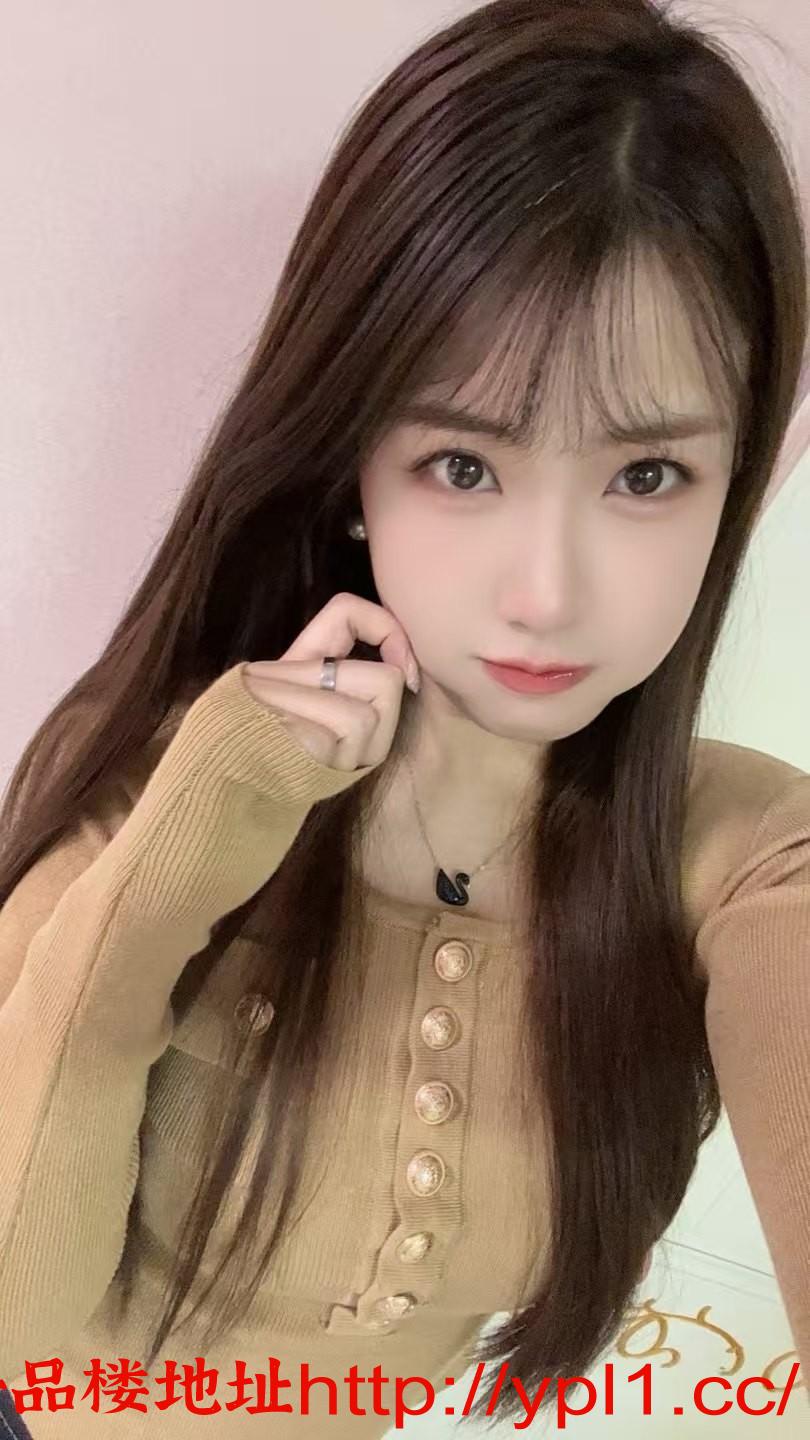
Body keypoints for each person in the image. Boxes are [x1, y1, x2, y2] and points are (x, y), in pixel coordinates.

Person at [1, 0, 809, 1434]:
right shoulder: (163, 772)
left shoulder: (738, 861)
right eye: (463, 464)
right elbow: (18, 1320)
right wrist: (191, 842)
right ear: (354, 467)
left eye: (645, 477)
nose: (547, 594)